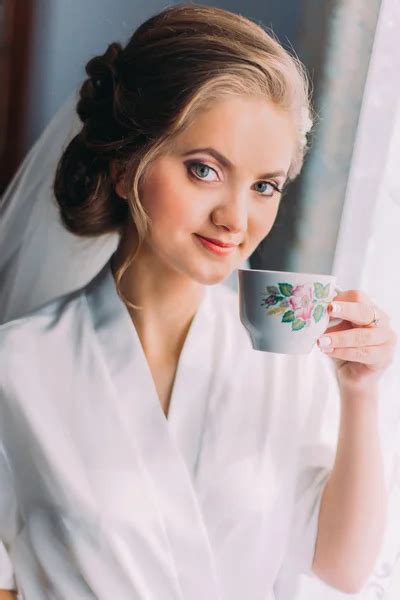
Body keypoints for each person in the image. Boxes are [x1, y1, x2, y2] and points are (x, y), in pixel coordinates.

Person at [0, 4, 396, 599]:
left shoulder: (286, 366)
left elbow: (343, 569)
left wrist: (361, 391)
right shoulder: (19, 366)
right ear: (124, 162)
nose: (236, 218)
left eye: (265, 186)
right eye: (204, 170)